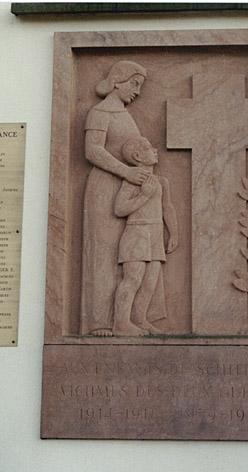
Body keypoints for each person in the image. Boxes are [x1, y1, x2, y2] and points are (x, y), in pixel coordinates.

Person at [81, 60, 151, 336]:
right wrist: (126, 172)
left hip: (126, 189)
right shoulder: (100, 112)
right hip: (105, 187)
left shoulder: (124, 113)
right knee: (105, 253)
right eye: (134, 83)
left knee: (126, 256)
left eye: (140, 86)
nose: (137, 91)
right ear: (118, 80)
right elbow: (93, 151)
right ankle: (100, 321)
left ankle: (125, 318)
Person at [112, 137, 178, 336]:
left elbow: (168, 207)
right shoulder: (132, 180)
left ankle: (140, 319)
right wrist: (144, 196)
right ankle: (121, 324)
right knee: (133, 279)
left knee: (150, 282)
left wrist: (174, 233)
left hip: (156, 233)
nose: (155, 150)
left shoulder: (161, 181)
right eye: (149, 148)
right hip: (137, 232)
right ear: (138, 156)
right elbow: (120, 209)